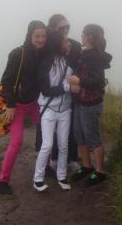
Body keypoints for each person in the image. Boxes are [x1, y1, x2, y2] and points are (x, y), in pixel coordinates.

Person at [0, 20, 47, 196]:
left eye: (43, 36)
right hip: (16, 105)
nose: (41, 40)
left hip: (34, 103)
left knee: (47, 133)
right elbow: (6, 81)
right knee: (16, 142)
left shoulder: (43, 53)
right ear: (29, 35)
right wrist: (10, 106)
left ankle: (45, 166)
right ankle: (3, 181)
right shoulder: (18, 53)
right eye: (37, 36)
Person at [35, 14, 81, 172]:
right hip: (49, 97)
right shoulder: (45, 46)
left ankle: (69, 159)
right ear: (53, 28)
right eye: (62, 27)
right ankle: (50, 162)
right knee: (48, 134)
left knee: (68, 131)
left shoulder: (75, 45)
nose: (66, 30)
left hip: (69, 97)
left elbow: (81, 65)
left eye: (68, 26)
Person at [68, 24, 112, 186]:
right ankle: (87, 166)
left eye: (82, 34)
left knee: (92, 136)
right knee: (79, 134)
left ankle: (100, 171)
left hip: (91, 104)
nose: (80, 37)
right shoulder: (85, 53)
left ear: (89, 37)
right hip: (80, 101)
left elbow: (99, 82)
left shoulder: (94, 56)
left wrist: (79, 81)